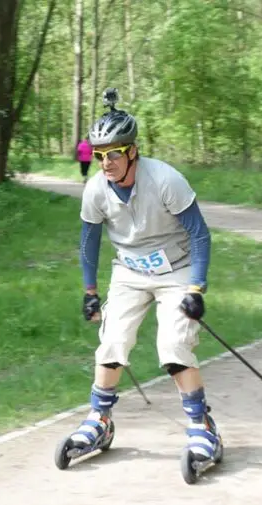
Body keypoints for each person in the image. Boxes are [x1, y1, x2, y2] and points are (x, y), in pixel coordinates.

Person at [68, 88, 222, 463]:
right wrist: (90, 291)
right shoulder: (96, 190)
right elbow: (89, 244)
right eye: (100, 155)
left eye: (114, 154)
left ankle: (202, 428)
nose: (106, 163)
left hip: (177, 269)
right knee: (112, 343)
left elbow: (200, 235)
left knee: (172, 346)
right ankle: (99, 420)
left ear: (132, 151)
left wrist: (196, 289)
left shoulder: (166, 180)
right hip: (129, 271)